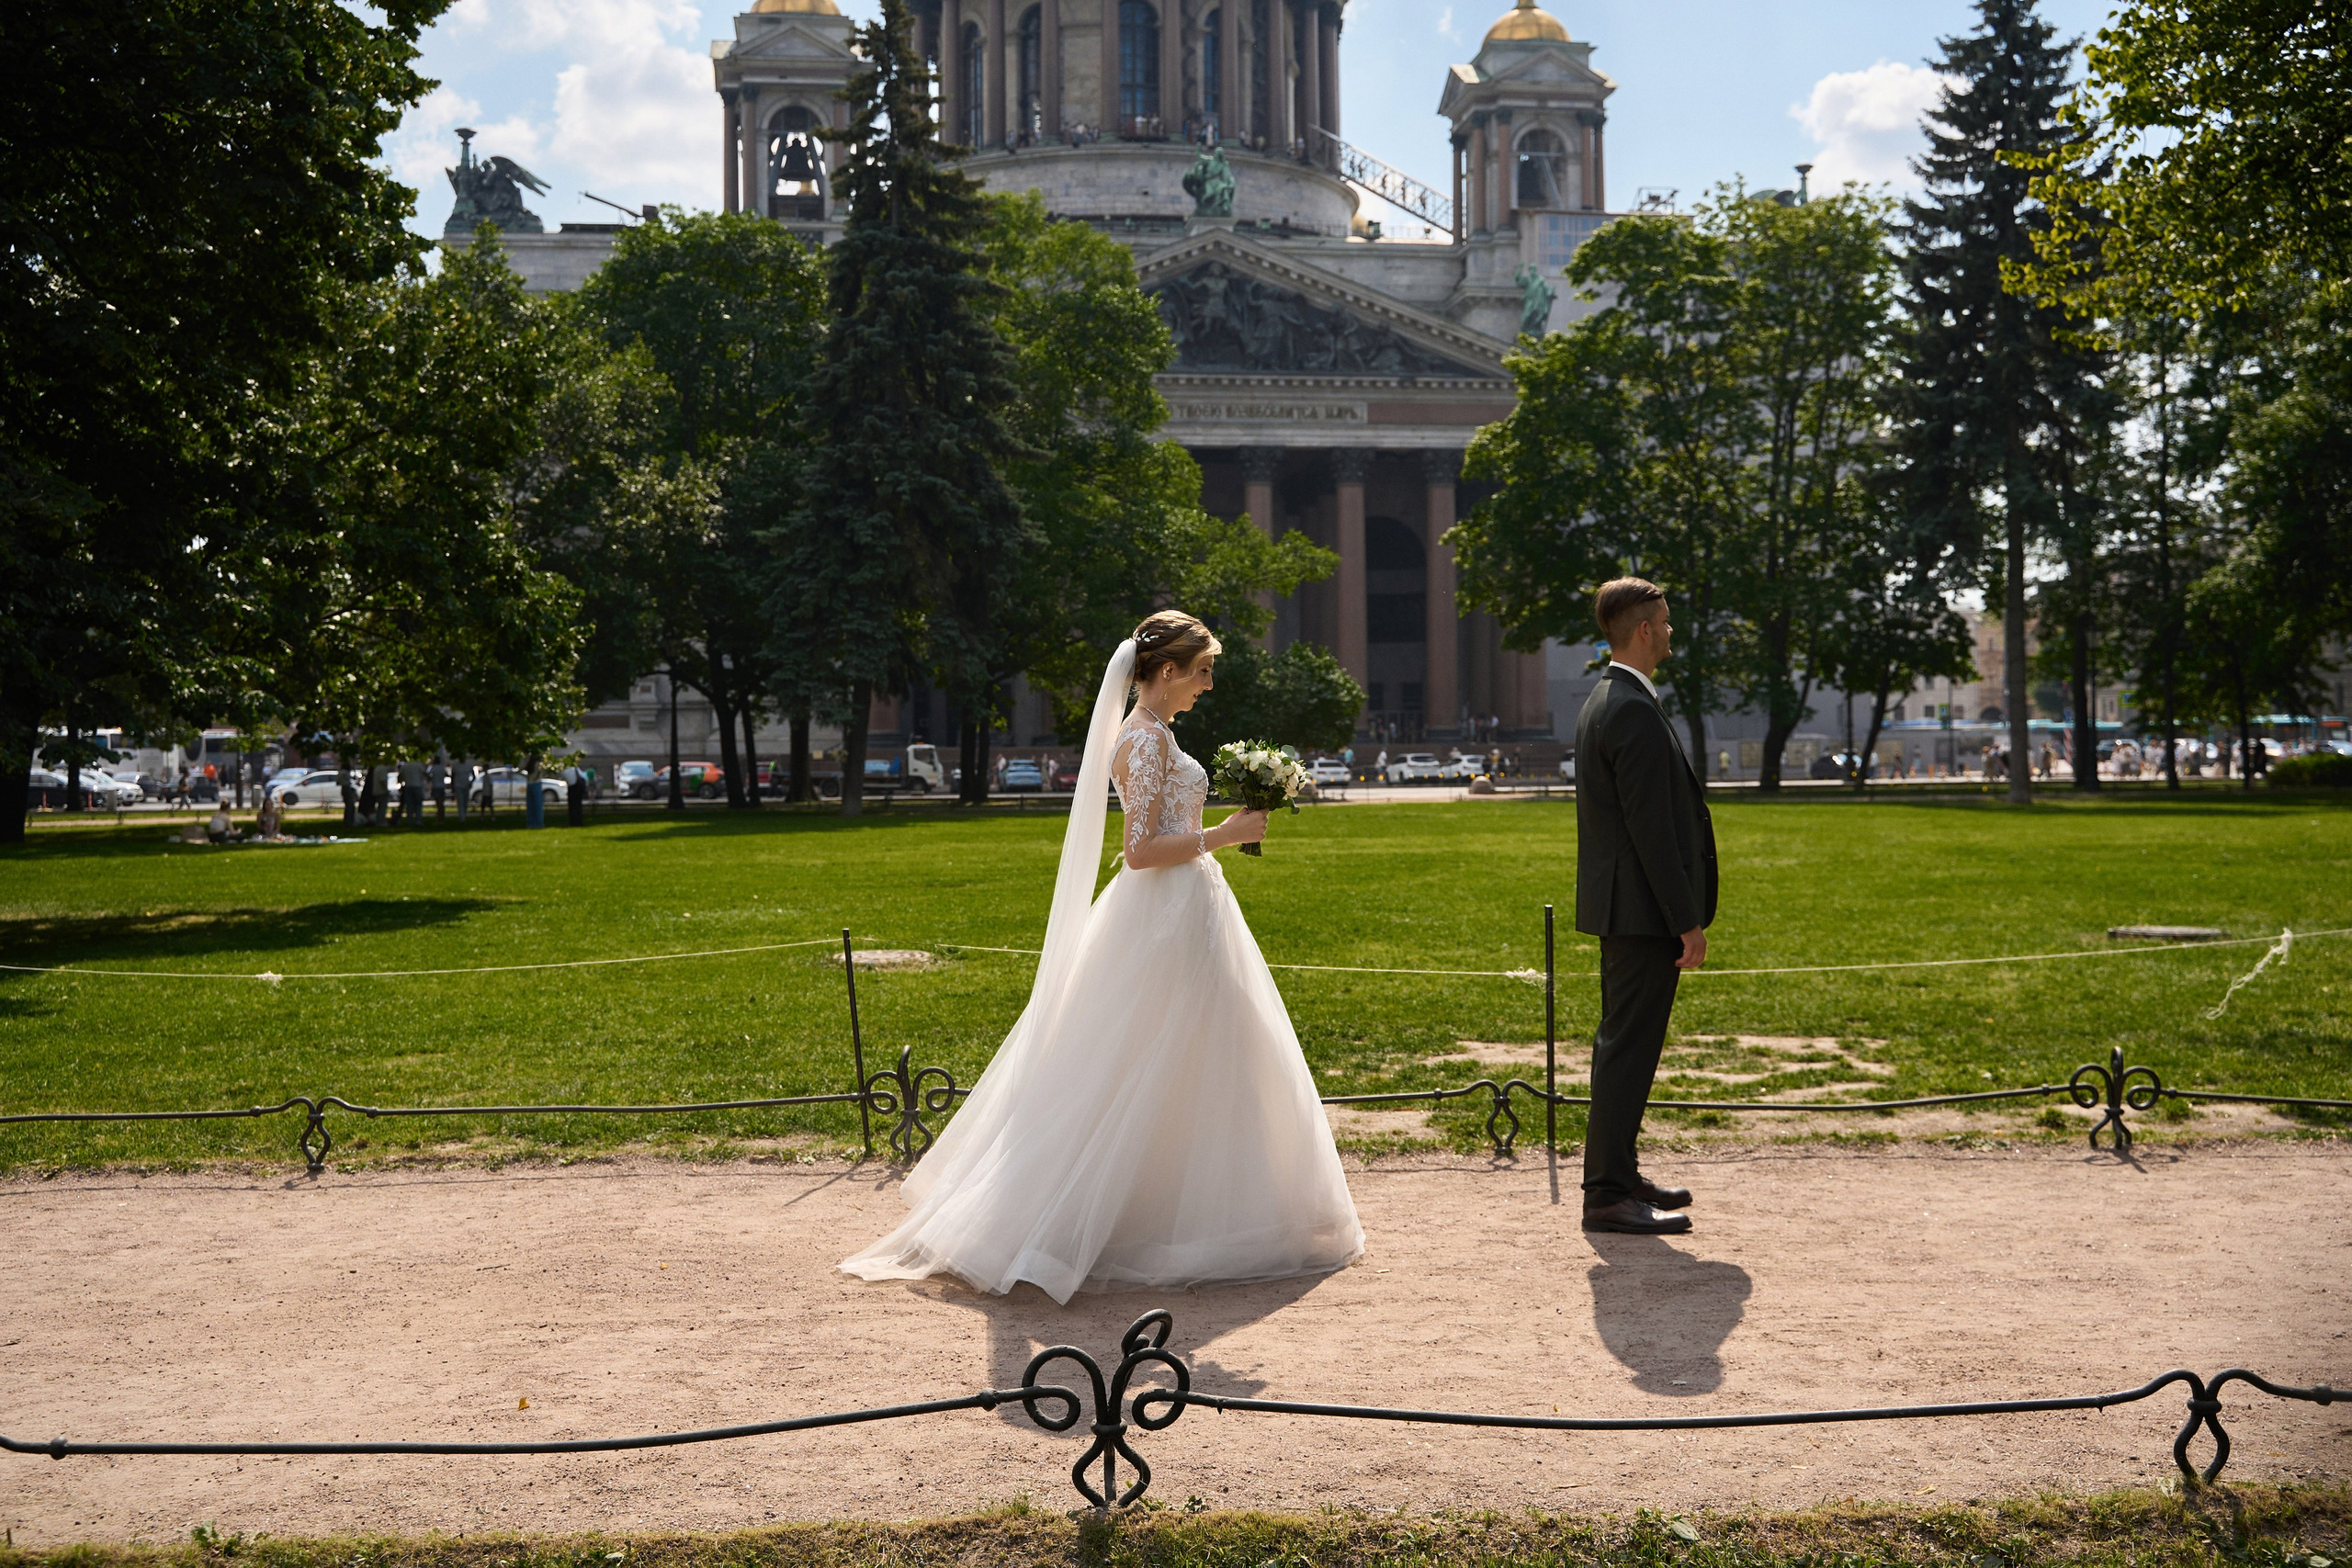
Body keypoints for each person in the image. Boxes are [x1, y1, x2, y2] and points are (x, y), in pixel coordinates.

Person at [842, 609, 1363, 1302]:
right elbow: (1140, 852)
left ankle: (1216, 1211)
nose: (1208, 684)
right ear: (1168, 671)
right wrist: (1226, 834)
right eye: (1202, 670)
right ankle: (1122, 1222)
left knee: (1210, 1057)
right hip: (1159, 917)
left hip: (1190, 913)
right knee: (1137, 1063)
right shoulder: (1141, 742)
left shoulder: (1160, 735)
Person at [1573, 577, 1716, 1235]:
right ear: (1643, 631)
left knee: (1625, 1046)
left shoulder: (1609, 697)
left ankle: (1620, 1171)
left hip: (1626, 908)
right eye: (1664, 622)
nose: (1670, 631)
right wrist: (1685, 918)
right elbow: (1650, 828)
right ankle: (1606, 1192)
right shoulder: (1627, 705)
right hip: (1640, 913)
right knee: (1627, 1048)